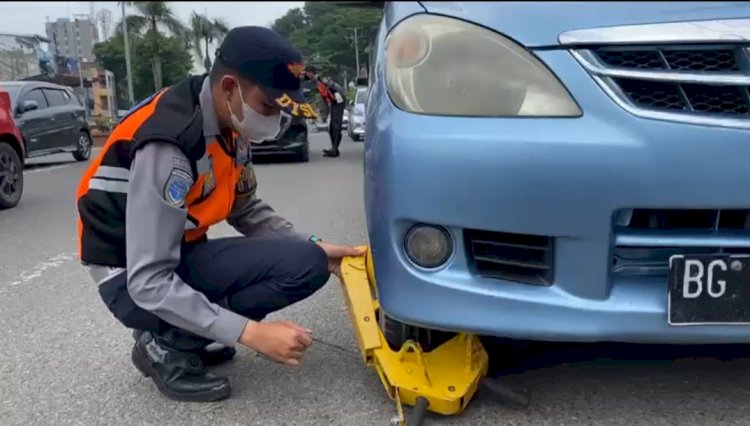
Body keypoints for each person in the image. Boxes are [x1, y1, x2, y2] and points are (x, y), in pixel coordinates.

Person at [75, 26, 364, 403]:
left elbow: (245, 208)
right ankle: (167, 346)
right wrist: (250, 333)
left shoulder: (229, 122)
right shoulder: (173, 143)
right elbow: (148, 280)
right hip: (130, 278)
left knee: (307, 262)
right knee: (286, 275)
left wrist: (316, 244)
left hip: (179, 254)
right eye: (269, 106)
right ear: (229, 87)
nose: (275, 119)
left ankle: (188, 333)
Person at [303, 66, 347, 157]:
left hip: (338, 101)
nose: (306, 75)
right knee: (331, 127)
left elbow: (335, 88)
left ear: (311, 72)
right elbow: (324, 97)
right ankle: (334, 148)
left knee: (335, 126)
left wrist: (337, 99)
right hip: (334, 103)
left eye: (307, 73)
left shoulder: (321, 80)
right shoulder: (317, 82)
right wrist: (326, 112)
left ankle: (335, 149)